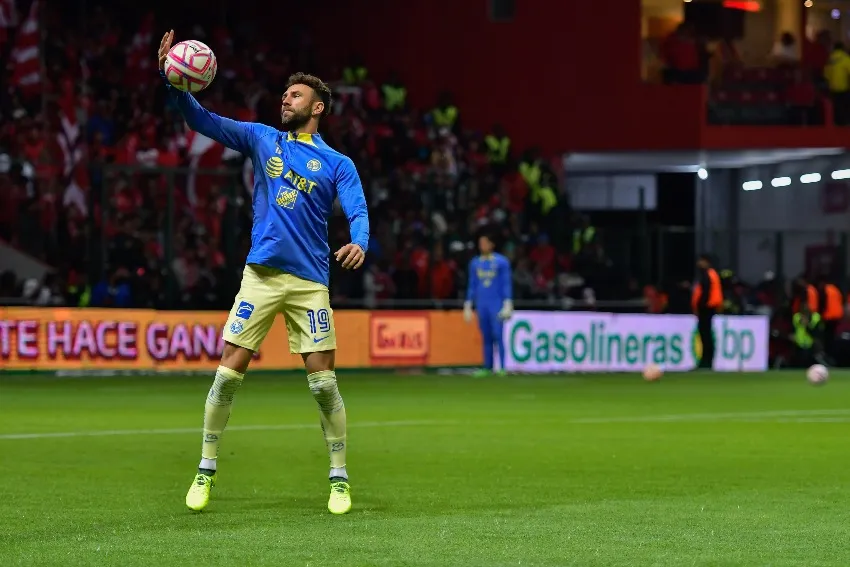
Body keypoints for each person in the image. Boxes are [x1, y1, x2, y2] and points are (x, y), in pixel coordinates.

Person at [158, 31, 369, 515]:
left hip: (309, 282)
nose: (285, 99)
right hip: (261, 276)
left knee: (323, 384)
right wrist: (175, 83)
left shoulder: (338, 163)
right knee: (226, 375)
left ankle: (339, 478)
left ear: (317, 107)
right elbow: (202, 120)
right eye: (285, 94)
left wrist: (360, 240)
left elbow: (357, 210)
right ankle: (205, 469)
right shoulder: (262, 138)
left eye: (295, 95)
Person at [463, 231, 513, 376]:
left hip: (496, 303)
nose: (482, 245)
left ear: (492, 244)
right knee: (485, 335)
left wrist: (508, 302)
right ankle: (487, 366)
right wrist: (468, 303)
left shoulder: (501, 262)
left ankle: (502, 367)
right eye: (480, 243)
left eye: (485, 243)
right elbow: (472, 284)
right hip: (482, 303)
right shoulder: (475, 263)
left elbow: (506, 283)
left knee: (497, 334)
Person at [691, 254, 723, 370]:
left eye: (701, 261)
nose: (699, 263)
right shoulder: (711, 274)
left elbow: (705, 293)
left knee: (705, 335)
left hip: (706, 308)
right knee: (706, 334)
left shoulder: (708, 274)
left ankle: (706, 361)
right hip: (708, 308)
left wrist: (700, 306)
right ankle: (706, 361)